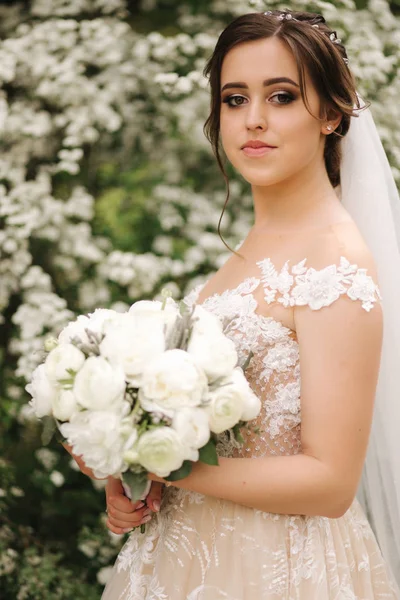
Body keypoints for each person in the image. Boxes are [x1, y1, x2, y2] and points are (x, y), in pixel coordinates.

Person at [72, 9, 400, 599]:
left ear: (330, 113)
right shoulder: (248, 251)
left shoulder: (335, 265)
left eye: (280, 96)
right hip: (184, 558)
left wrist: (163, 463)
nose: (253, 120)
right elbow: (228, 440)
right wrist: (129, 458)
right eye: (233, 98)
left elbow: (330, 483)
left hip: (282, 569)